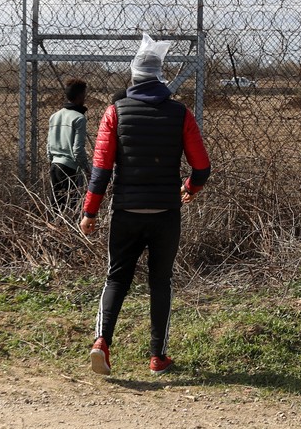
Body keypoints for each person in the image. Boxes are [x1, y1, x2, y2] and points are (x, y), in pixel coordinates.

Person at [80, 34, 211, 376]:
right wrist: (189, 188)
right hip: (165, 213)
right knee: (160, 282)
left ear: (133, 76)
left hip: (125, 212)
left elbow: (100, 170)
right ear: (161, 76)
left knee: (116, 279)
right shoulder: (180, 113)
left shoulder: (115, 111)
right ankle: (158, 356)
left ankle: (101, 343)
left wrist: (89, 212)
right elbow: (202, 167)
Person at [46, 78, 90, 215]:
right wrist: (87, 169)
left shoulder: (54, 116)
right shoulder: (79, 118)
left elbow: (49, 145)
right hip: (69, 169)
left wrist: (52, 160)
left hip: (54, 165)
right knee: (70, 208)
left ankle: (53, 233)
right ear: (80, 96)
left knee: (55, 207)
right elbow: (77, 149)